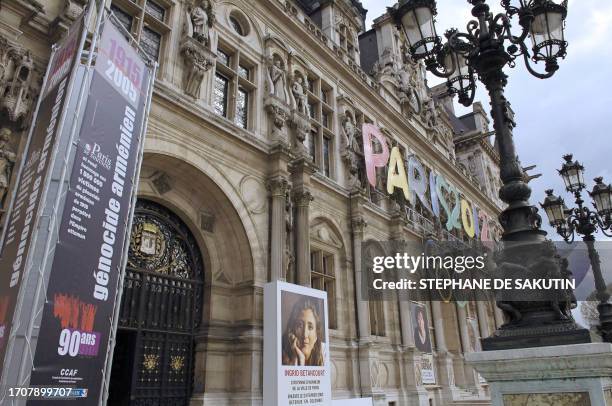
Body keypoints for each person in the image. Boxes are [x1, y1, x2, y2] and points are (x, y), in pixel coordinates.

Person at [282, 297, 325, 366]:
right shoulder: (282, 353)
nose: (305, 334)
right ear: (292, 330)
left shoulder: (324, 352)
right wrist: (297, 358)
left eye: (310, 327)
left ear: (316, 334)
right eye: (300, 326)